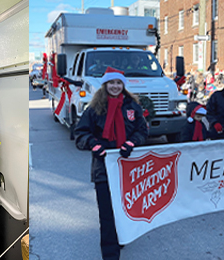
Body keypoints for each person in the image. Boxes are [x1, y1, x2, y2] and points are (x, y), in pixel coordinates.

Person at [74, 66, 148, 260]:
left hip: (129, 168)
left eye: (118, 83)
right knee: (107, 215)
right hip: (103, 168)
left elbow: (142, 130)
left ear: (123, 85)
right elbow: (80, 134)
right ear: (105, 84)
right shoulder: (94, 108)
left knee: (125, 209)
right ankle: (110, 255)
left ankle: (121, 237)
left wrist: (133, 142)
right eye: (111, 83)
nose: (115, 86)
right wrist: (93, 144)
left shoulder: (133, 106)